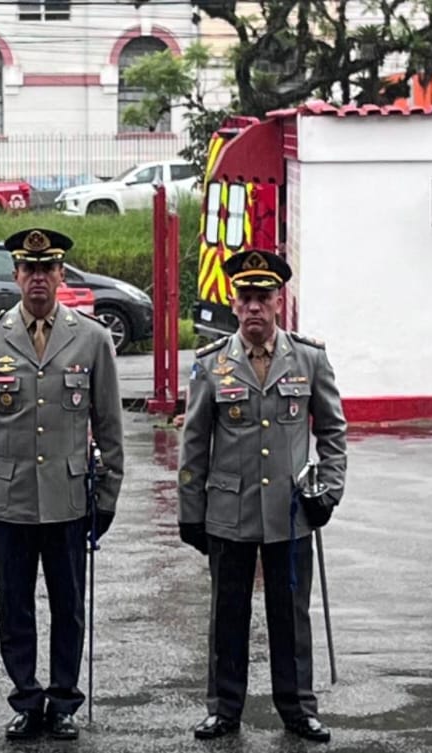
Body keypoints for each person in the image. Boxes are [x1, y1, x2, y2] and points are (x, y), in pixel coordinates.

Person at [0, 228, 124, 741]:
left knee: (68, 606)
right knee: (15, 606)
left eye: (47, 269)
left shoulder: (92, 339)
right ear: (16, 275)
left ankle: (64, 700)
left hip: (70, 498)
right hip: (8, 499)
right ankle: (27, 699)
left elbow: (111, 427)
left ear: (60, 275)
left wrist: (108, 497)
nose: (37, 278)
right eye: (28, 269)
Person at [177, 249, 347, 744]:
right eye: (246, 298)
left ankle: (297, 708)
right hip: (228, 511)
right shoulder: (212, 366)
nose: (254, 307)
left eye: (263, 298)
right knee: (227, 614)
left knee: (290, 615)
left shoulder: (309, 358)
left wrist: (329, 490)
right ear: (234, 303)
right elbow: (194, 444)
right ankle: (224, 708)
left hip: (289, 512)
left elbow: (333, 431)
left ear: (279, 301)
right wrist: (192, 512)